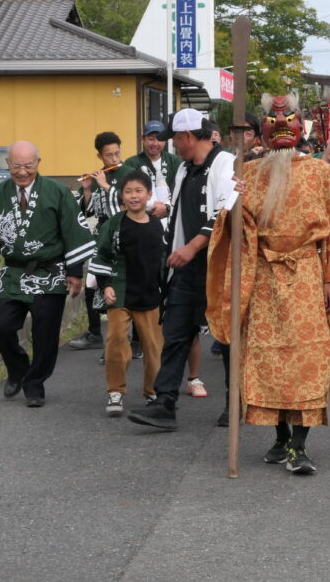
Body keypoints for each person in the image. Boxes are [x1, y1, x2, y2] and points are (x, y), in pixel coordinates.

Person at [205, 92, 330, 475]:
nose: (280, 125)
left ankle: (300, 446)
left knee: (307, 359)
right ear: (262, 128)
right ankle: (278, 437)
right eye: (273, 120)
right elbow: (231, 232)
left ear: (300, 123)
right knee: (267, 358)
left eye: (288, 118)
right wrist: (233, 206)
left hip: (306, 273)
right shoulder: (248, 172)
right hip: (262, 278)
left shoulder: (320, 173)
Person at [0, 141, 95, 407]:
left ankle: (34, 384)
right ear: (8, 165)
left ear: (38, 164)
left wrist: (75, 272)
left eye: (28, 165)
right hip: (13, 273)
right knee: (3, 327)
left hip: (50, 272)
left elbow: (72, 232)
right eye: (16, 166)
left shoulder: (57, 192)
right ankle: (18, 369)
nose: (22, 171)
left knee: (45, 334)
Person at [126, 109, 235, 429]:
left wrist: (192, 247)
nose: (171, 143)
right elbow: (180, 212)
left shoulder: (223, 163)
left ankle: (236, 401)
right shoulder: (185, 170)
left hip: (217, 266)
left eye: (173, 137)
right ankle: (165, 403)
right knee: (175, 333)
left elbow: (225, 212)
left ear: (188, 137)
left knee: (227, 337)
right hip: (185, 269)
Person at [88, 170, 164, 416]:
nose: (134, 196)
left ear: (149, 194)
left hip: (150, 293)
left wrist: (167, 289)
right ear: (121, 196)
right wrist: (106, 284)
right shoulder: (114, 224)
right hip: (119, 291)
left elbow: (164, 260)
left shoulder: (157, 225)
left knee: (153, 347)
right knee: (117, 340)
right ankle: (115, 391)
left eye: (139, 191)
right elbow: (101, 255)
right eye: (128, 191)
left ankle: (153, 392)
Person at [69, 132, 135, 353]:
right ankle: (94, 332)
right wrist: (88, 189)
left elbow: (132, 201)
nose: (114, 159)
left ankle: (135, 339)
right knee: (92, 283)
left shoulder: (130, 173)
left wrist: (107, 186)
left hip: (127, 232)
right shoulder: (96, 177)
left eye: (117, 153)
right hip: (102, 234)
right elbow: (86, 211)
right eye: (109, 155)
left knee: (126, 284)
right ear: (100, 156)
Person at [123, 120, 182, 225]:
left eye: (160, 139)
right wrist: (151, 205)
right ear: (143, 139)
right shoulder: (131, 163)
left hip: (170, 220)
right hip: (139, 220)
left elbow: (181, 189)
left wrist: (167, 207)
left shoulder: (174, 161)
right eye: (151, 139)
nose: (155, 143)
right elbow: (125, 193)